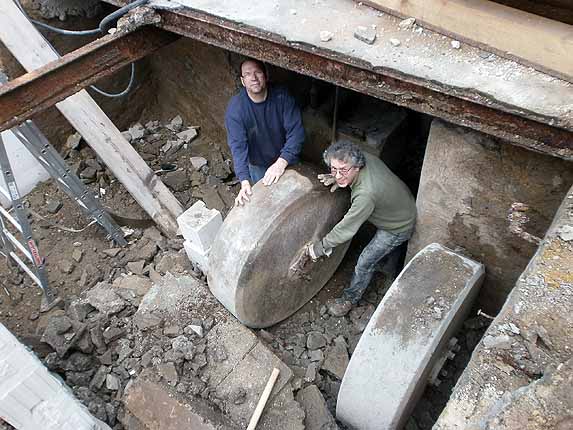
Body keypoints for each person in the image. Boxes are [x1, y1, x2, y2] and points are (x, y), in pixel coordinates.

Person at [308, 140, 417, 316]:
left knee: (365, 263)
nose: (337, 175)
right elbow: (346, 173)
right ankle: (389, 268)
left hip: (398, 225)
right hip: (401, 201)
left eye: (343, 170)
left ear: (357, 168)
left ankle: (349, 299)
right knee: (385, 252)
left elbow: (346, 228)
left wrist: (321, 247)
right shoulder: (362, 156)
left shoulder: (366, 194)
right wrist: (339, 177)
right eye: (333, 169)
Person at [225, 58, 305, 206]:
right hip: (259, 165)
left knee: (296, 201)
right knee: (267, 204)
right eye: (248, 74)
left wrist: (281, 162)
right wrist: (244, 181)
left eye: (257, 72)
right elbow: (238, 147)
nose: (253, 78)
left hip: (287, 158)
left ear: (266, 76)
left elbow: (296, 133)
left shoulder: (282, 97)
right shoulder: (236, 110)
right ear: (243, 81)